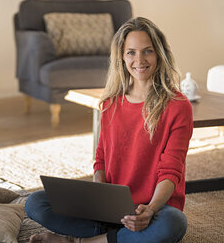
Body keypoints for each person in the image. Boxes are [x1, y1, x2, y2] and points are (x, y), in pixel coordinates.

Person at [24, 17, 193, 243]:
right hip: (111, 211)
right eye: (131, 52)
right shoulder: (110, 103)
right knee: (36, 203)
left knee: (173, 223)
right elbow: (101, 160)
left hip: (153, 210)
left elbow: (171, 170)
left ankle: (81, 241)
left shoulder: (178, 106)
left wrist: (150, 210)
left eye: (148, 51)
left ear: (159, 54)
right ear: (121, 57)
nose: (139, 60)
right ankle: (118, 238)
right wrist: (99, 199)